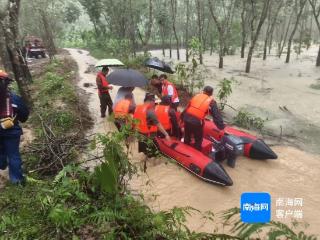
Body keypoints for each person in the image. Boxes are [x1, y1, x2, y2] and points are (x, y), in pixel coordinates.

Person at [0, 70, 29, 185]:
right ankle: (17, 180)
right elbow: (24, 115)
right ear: (6, 83)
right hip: (11, 132)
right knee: (13, 155)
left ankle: (2, 163)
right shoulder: (14, 99)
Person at [183, 86, 225, 151]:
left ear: (203, 91)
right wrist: (221, 126)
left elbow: (187, 107)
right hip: (196, 122)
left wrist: (182, 118)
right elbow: (216, 115)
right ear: (211, 94)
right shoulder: (212, 102)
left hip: (186, 118)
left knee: (187, 135)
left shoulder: (196, 96)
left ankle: (185, 149)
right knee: (198, 139)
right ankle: (196, 153)